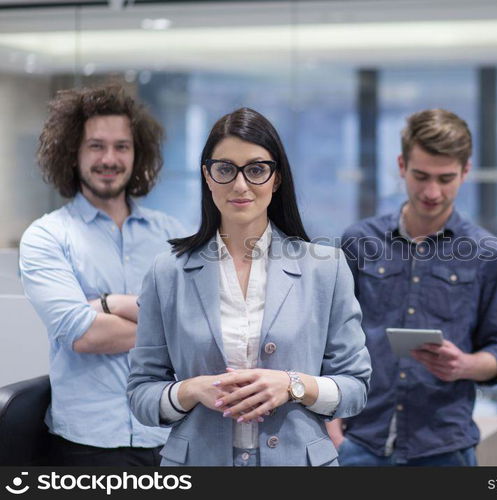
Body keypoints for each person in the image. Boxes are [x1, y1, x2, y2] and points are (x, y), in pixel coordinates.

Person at [127, 107, 371, 467]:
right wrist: (192, 390)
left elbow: (356, 388)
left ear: (277, 179)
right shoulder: (169, 272)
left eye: (256, 170)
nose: (240, 185)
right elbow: (141, 394)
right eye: (225, 169)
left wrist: (292, 385)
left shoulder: (326, 267)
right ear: (207, 177)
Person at [328, 108, 497, 466]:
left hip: (445, 448)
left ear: (466, 172)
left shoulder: (487, 253)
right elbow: (331, 339)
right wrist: (331, 424)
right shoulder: (358, 241)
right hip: (360, 443)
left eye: (446, 178)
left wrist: (465, 365)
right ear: (401, 166)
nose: (432, 192)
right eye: (421, 176)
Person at [19, 84, 185, 465]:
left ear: (136, 153)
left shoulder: (172, 235)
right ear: (72, 153)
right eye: (96, 145)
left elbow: (200, 325)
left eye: (121, 146)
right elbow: (84, 334)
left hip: (171, 437)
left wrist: (109, 304)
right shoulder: (47, 237)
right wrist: (165, 326)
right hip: (89, 446)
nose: (109, 158)